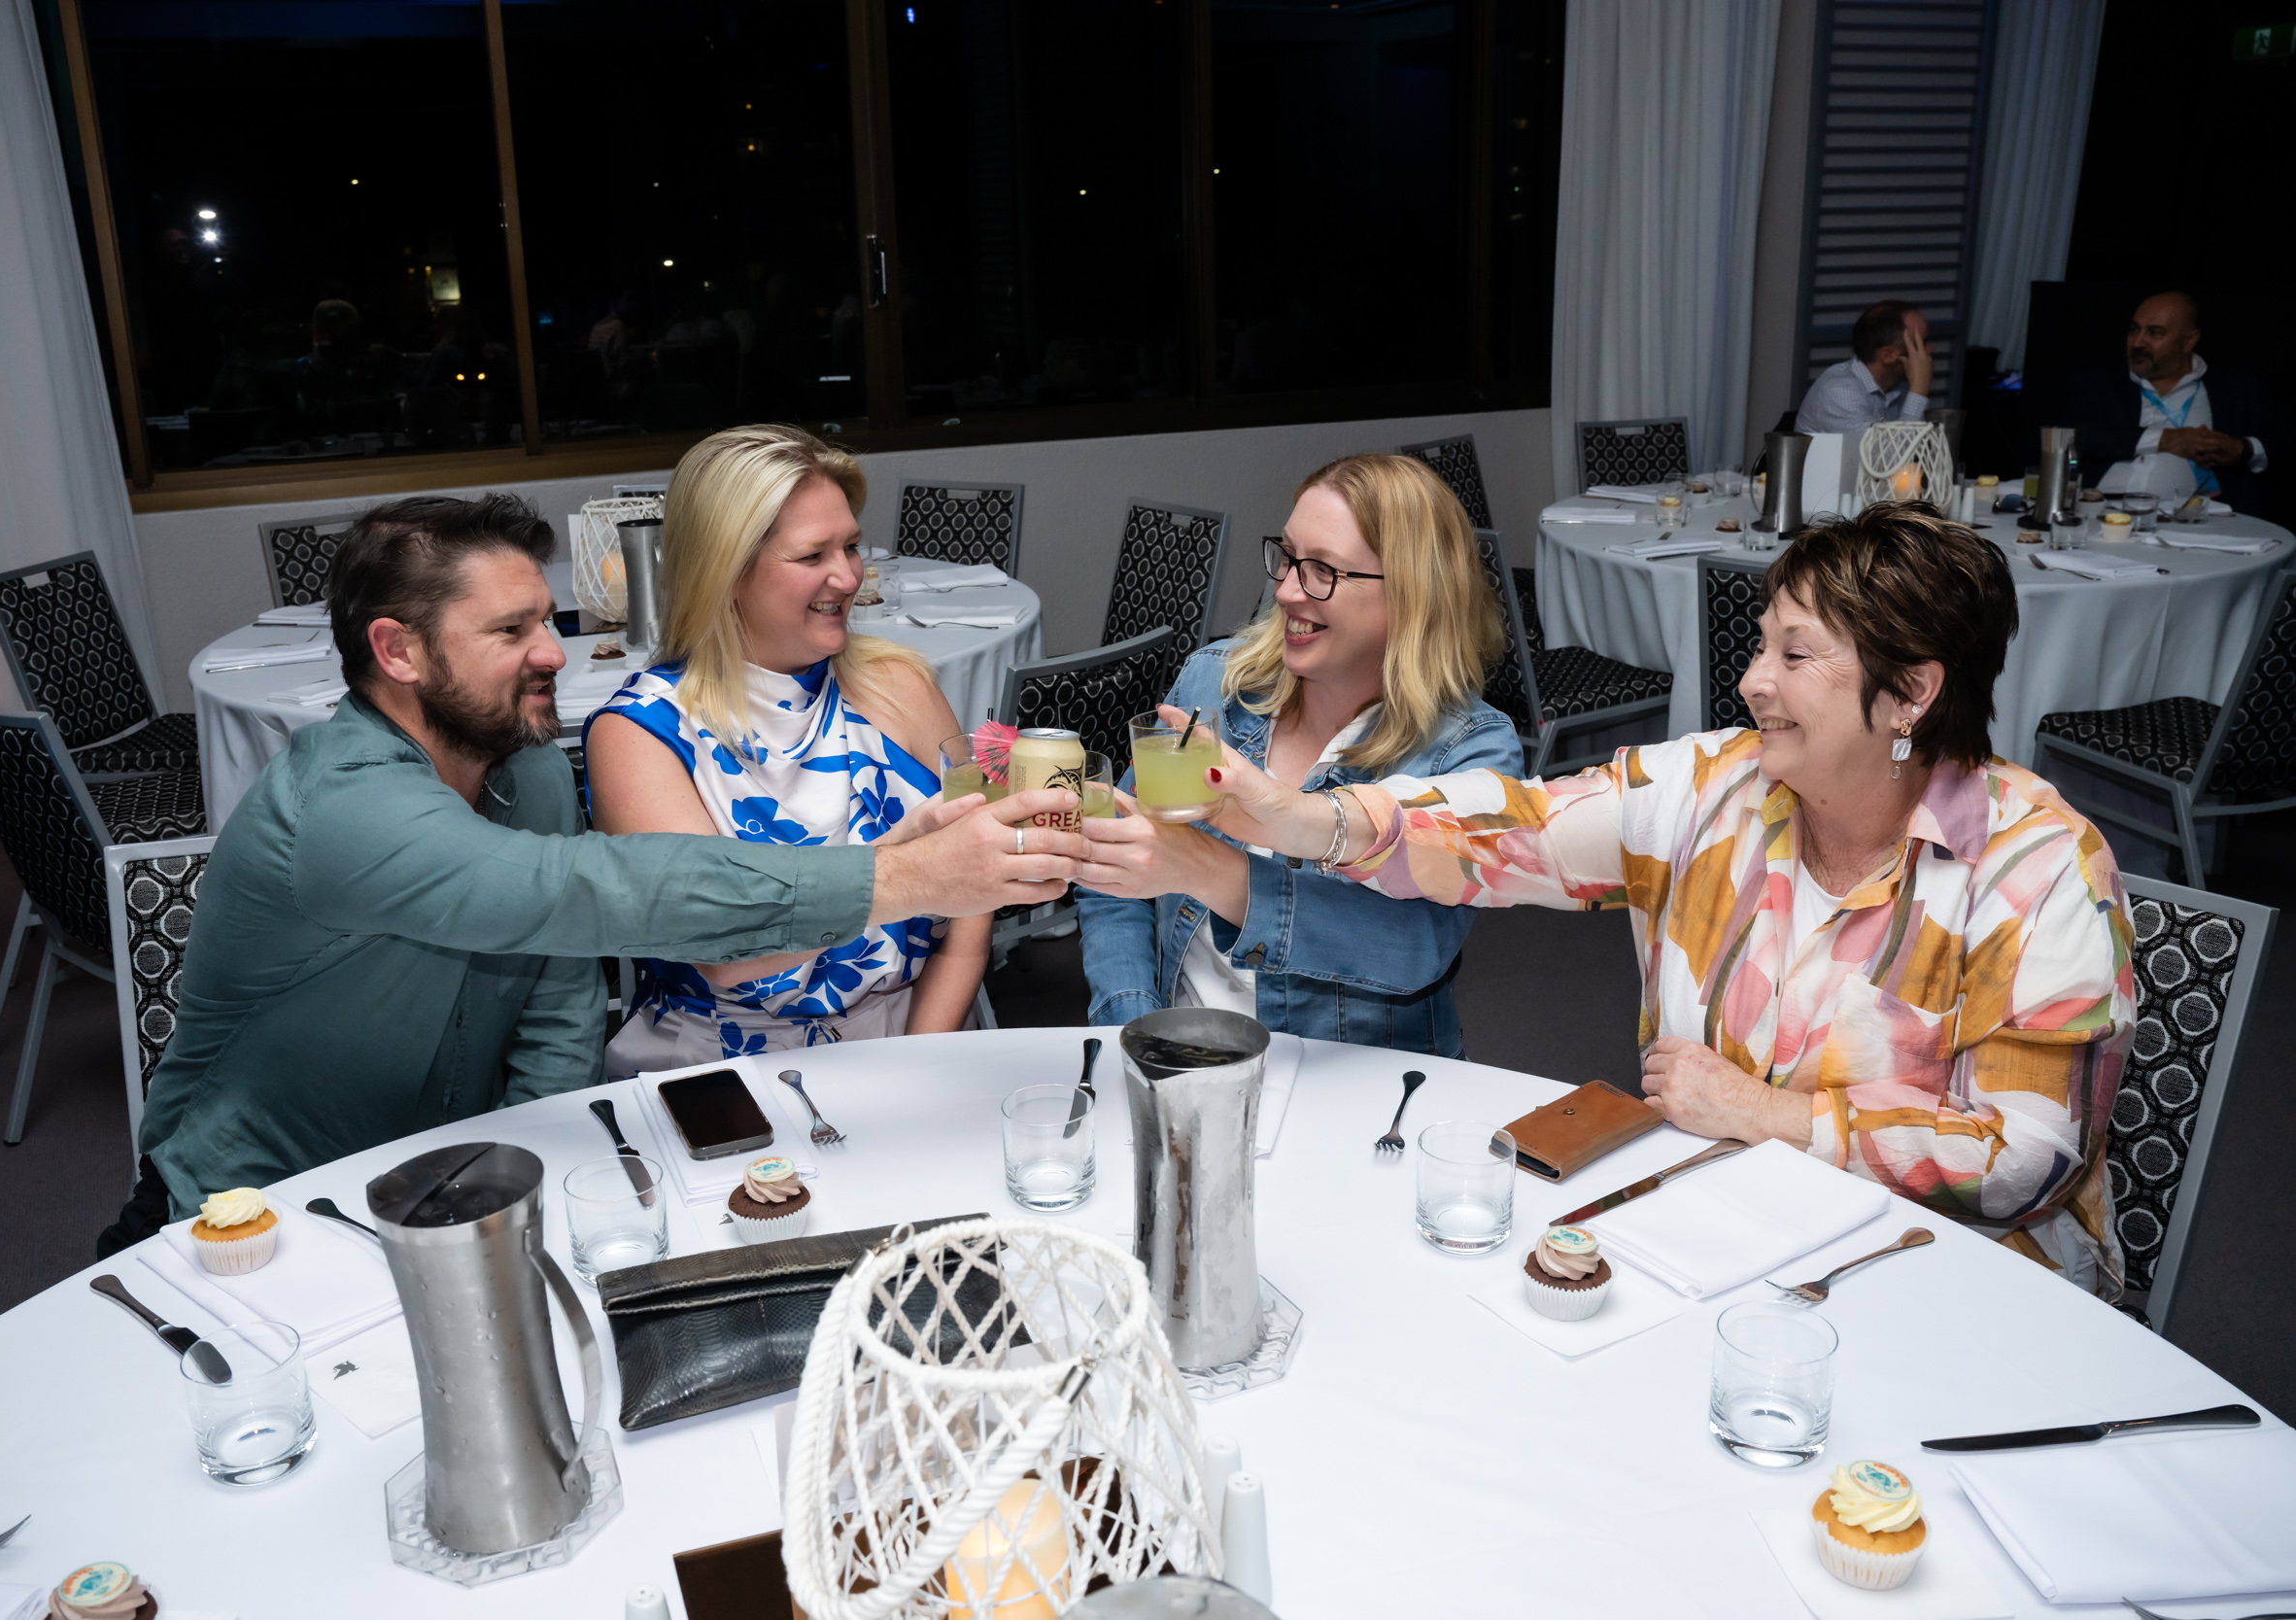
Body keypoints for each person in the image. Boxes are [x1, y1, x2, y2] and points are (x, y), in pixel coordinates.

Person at [1187, 502, 2135, 1299]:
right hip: (1725, 1239)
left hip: (1953, 1282)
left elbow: (2023, 1156)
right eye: (1761, 643)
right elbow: (1514, 826)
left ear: (1910, 693)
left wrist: (1774, 1115)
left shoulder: (2039, 870)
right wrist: (1310, 822)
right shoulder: (1711, 788)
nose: (1751, 678)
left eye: (1794, 655)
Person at [107, 494, 1078, 1253]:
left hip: (447, 1186)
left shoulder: (523, 765)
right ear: (396, 650)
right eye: (509, 632)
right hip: (258, 1208)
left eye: (545, 618)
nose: (549, 652)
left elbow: (558, 994)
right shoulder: (342, 808)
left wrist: (514, 1167)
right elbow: (588, 894)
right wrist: (906, 878)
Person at [1074, 454, 1522, 1053]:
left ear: (1412, 595)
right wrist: (1136, 1024)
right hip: (1180, 1061)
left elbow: (1415, 947)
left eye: (1322, 571)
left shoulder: (1468, 752)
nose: (1285, 590)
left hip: (1358, 1093)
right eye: (1287, 558)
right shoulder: (1213, 685)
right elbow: (1110, 870)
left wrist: (1201, 867)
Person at [586, 426, 991, 1067]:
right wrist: (917, 852)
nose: (850, 575)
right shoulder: (642, 734)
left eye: (852, 546)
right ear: (727, 574)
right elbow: (728, 950)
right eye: (812, 557)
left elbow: (975, 904)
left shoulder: (900, 685)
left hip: (916, 1031)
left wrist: (920, 1058)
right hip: (722, 1064)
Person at [2069, 291, 2279, 518]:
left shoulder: (2232, 390)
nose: (2138, 342)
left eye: (2154, 333)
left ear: (2188, 341)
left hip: (2194, 522)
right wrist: (2167, 439)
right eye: (2134, 330)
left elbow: (2284, 437)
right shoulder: (2100, 383)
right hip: (2099, 513)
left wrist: (2243, 449)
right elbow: (2068, 437)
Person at [1795, 300, 1932, 436]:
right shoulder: (1840, 391)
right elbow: (1885, 456)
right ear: (1887, 355)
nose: (1929, 350)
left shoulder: (1900, 386)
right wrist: (1918, 390)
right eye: (1921, 343)